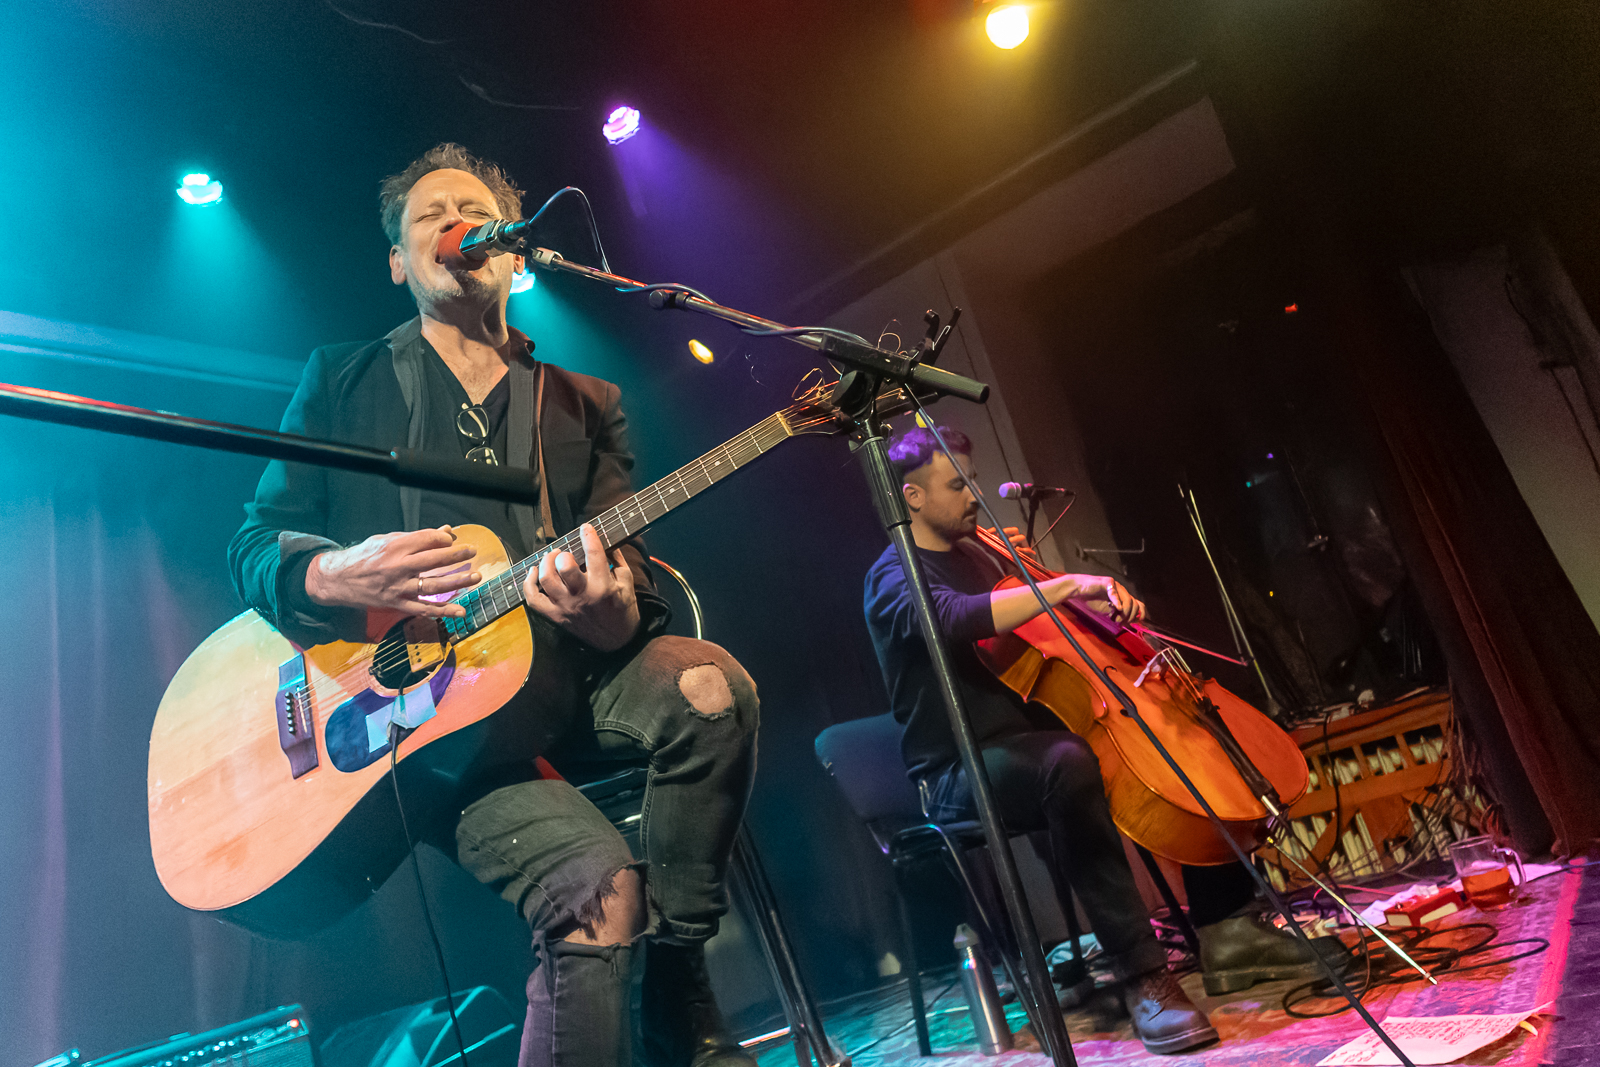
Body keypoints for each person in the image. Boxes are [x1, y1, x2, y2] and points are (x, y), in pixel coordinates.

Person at [229, 143, 760, 1067]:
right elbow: (255, 544)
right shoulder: (342, 379)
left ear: (512, 251)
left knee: (713, 688)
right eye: (429, 216)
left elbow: (624, 574)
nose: (454, 225)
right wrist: (336, 573)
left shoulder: (585, 402)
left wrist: (611, 614)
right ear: (398, 262)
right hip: (424, 730)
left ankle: (680, 979)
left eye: (473, 212)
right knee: (599, 892)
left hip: (565, 687)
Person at [862, 425, 1334, 1055]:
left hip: (1035, 739)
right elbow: (950, 617)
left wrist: (1093, 597)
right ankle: (1144, 978)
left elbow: (1052, 630)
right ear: (913, 497)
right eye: (956, 485)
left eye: (971, 478)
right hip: (958, 770)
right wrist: (1059, 585)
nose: (974, 495)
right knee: (1067, 764)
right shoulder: (892, 575)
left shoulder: (982, 552)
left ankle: (1228, 927)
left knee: (1169, 735)